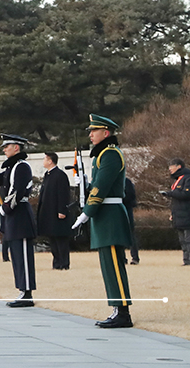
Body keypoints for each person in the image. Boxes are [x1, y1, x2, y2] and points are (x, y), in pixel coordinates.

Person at [72, 115, 135, 328]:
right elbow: (97, 185)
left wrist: (87, 211)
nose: (90, 134)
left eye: (94, 130)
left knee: (114, 265)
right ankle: (117, 308)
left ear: (106, 133)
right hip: (105, 214)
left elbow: (103, 186)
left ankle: (123, 312)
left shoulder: (110, 154)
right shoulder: (102, 155)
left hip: (110, 213)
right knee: (108, 265)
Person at [0, 134, 37, 308]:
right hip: (13, 214)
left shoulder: (21, 167)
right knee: (16, 254)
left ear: (16, 148)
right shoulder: (12, 167)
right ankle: (21, 289)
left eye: (7, 146)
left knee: (24, 255)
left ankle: (27, 293)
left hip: (20, 212)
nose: (4, 149)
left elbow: (17, 191)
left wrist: (5, 207)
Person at [36, 152, 72, 271]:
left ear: (50, 160)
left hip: (57, 212)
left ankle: (64, 263)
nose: (43, 161)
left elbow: (63, 194)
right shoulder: (48, 175)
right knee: (52, 239)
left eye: (45, 159)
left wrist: (62, 210)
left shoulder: (60, 175)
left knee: (61, 239)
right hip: (49, 213)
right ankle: (57, 262)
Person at [161, 158, 190, 266]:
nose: (169, 169)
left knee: (188, 240)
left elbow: (186, 194)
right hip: (179, 214)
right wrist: (172, 213)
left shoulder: (187, 178)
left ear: (179, 167)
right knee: (182, 240)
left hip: (187, 213)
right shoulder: (177, 179)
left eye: (171, 166)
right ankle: (186, 260)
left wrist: (170, 193)